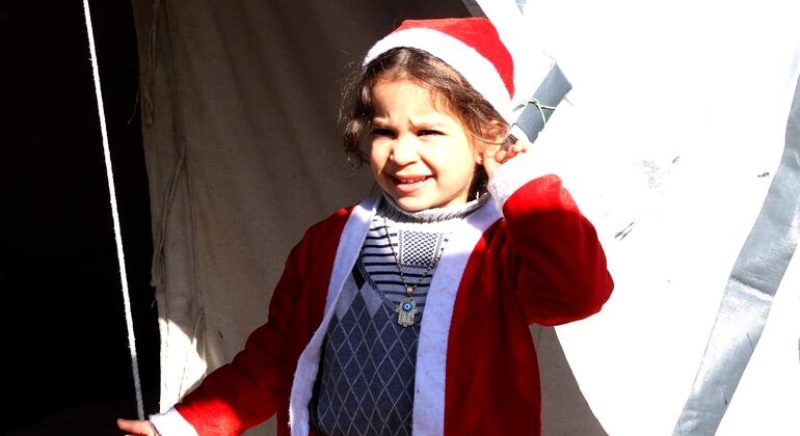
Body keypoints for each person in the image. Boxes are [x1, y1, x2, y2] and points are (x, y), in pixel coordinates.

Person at [118, 17, 614, 436]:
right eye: (384, 131)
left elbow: (575, 293)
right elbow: (274, 356)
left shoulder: (503, 246)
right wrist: (185, 425)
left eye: (427, 132)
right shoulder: (329, 241)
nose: (401, 153)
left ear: (486, 136)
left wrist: (520, 182)